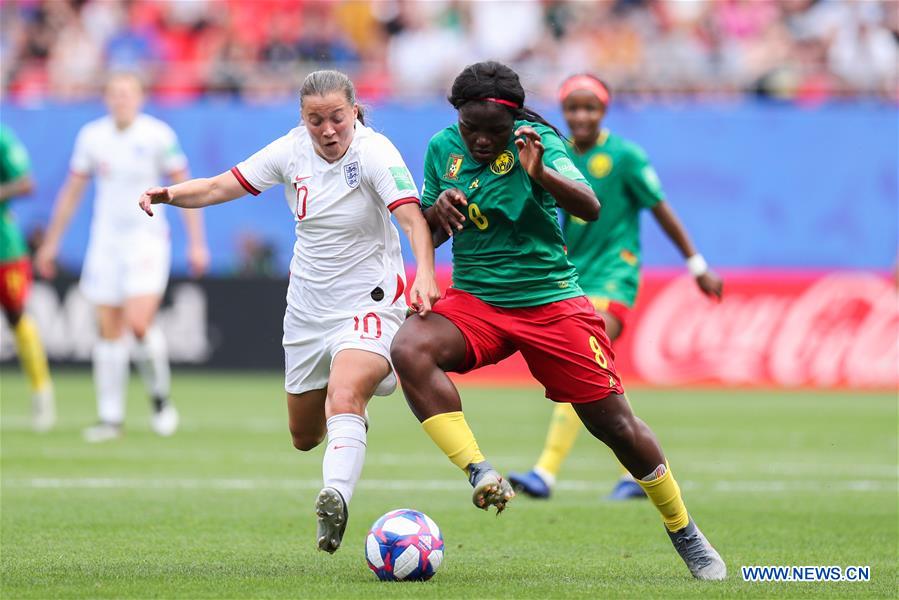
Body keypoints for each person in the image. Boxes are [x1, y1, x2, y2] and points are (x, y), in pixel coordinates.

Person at [390, 61, 726, 580]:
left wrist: (540, 172)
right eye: (470, 128)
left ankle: (684, 530)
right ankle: (480, 471)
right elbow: (430, 234)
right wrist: (441, 212)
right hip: (479, 301)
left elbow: (589, 206)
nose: (480, 140)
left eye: (492, 131)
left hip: (550, 302)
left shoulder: (538, 139)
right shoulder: (441, 148)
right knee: (409, 347)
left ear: (514, 121)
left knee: (614, 425)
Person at [138, 70, 440, 554]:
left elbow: (411, 219)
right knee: (304, 435)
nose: (327, 130)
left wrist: (425, 272)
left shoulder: (375, 153)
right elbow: (219, 187)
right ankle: (358, 410)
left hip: (370, 302)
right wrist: (170, 195)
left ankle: (335, 496)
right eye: (315, 120)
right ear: (302, 119)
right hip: (306, 311)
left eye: (337, 118)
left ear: (354, 112)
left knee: (344, 394)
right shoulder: (290, 150)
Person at [508, 74, 724, 501]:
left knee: (582, 354)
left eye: (590, 108)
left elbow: (661, 210)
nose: (581, 116)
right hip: (569, 273)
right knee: (594, 374)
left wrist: (696, 264)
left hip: (615, 273)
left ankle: (545, 473)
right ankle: (640, 470)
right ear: (564, 112)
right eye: (573, 108)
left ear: (604, 111)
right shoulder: (553, 153)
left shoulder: (624, 157)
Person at [35, 72, 210, 442]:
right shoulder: (92, 137)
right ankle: (110, 418)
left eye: (127, 93)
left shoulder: (158, 135)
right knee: (109, 329)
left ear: (140, 97)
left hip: (146, 240)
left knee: (139, 323)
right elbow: (72, 192)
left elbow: (185, 188)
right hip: (106, 243)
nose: (121, 100)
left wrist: (197, 242)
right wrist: (51, 242)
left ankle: (160, 401)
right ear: (106, 98)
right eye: (114, 94)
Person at [0, 124, 55, 431]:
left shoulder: (2, 137)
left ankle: (41, 391)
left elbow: (25, 183)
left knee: (16, 316)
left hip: (4, 249)